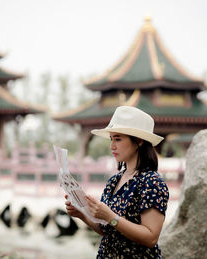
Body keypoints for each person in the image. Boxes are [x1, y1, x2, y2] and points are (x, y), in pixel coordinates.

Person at [65, 106, 169, 258]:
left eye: (118, 139)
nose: (112, 145)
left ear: (139, 141)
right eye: (111, 139)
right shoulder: (114, 180)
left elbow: (151, 237)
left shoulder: (151, 182)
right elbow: (106, 229)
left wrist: (111, 217)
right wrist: (81, 214)